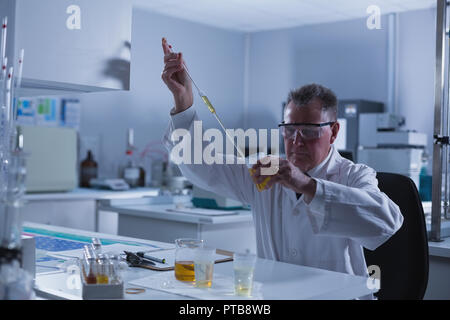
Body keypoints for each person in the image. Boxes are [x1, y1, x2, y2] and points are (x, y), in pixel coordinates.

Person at [160, 38, 403, 298]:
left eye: (309, 131)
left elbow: (386, 222)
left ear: (333, 132)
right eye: (289, 130)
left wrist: (306, 185)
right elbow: (201, 164)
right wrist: (183, 101)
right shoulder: (265, 171)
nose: (296, 141)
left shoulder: (354, 175)